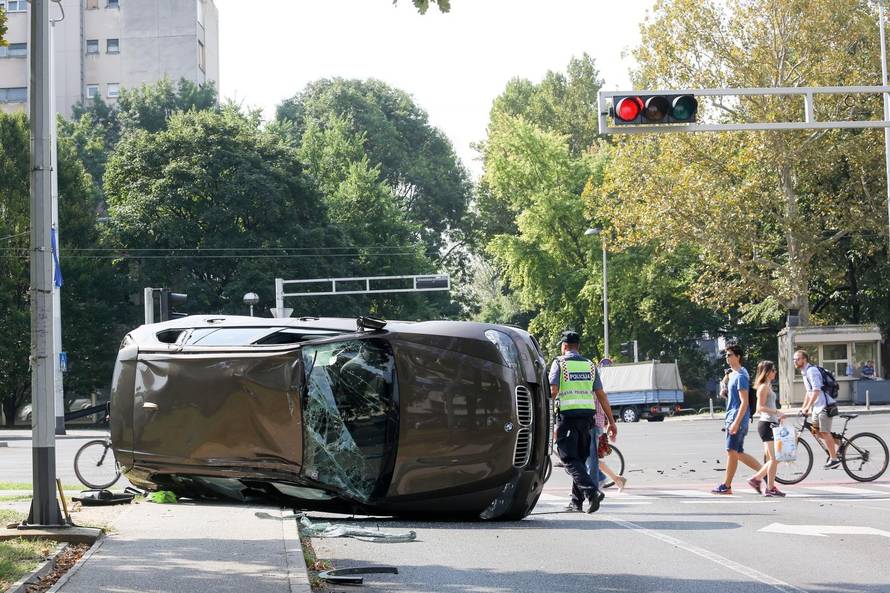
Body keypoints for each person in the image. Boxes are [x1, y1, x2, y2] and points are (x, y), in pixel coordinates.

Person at [549, 331, 617, 513]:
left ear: (564, 346)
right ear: (578, 347)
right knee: (579, 458)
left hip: (568, 418)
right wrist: (612, 421)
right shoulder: (589, 365)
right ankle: (576, 502)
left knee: (568, 458)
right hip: (588, 419)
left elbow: (553, 391)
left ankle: (591, 492)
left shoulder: (560, 363)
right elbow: (601, 395)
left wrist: (544, 411)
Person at [711, 344, 762, 495]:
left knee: (731, 451)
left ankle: (727, 486)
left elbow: (744, 402)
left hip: (737, 419)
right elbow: (731, 397)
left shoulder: (740, 376)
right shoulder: (733, 375)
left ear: (738, 356)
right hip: (733, 418)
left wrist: (736, 422)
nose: (727, 358)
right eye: (726, 355)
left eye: (730, 355)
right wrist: (724, 389)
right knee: (738, 452)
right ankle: (764, 472)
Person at [745, 360, 786, 497]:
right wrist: (776, 412)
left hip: (771, 423)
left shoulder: (768, 385)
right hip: (766, 425)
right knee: (775, 458)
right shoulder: (763, 387)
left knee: (772, 459)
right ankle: (758, 480)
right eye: (773, 370)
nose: (775, 372)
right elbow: (759, 408)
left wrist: (777, 416)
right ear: (767, 372)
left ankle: (768, 485)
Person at [795, 350, 840, 469]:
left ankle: (834, 459)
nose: (795, 361)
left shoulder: (812, 371)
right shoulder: (804, 372)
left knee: (825, 432)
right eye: (794, 359)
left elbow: (816, 391)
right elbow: (808, 393)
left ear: (804, 359)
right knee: (817, 432)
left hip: (825, 406)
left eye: (797, 359)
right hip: (817, 407)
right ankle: (840, 444)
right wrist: (804, 407)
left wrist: (808, 407)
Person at [586, 391, 626, 492]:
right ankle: (617, 479)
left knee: (589, 458)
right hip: (594, 426)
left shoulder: (592, 391)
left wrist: (609, 424)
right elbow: (603, 408)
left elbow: (599, 408)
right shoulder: (597, 390)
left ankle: (600, 479)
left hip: (593, 426)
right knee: (591, 459)